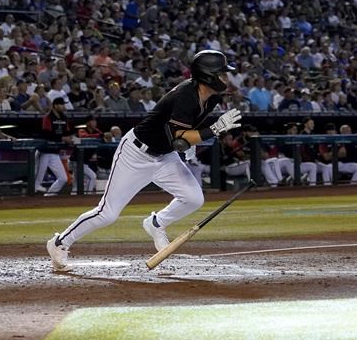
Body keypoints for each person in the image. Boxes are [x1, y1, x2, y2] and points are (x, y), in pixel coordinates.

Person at [46, 50, 242, 271]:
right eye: (222, 73)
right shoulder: (186, 95)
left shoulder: (211, 97)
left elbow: (188, 131)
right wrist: (215, 129)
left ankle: (156, 223)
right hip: (136, 154)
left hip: (165, 156)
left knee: (193, 198)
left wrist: (193, 145)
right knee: (107, 213)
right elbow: (180, 140)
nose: (226, 78)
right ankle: (59, 243)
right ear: (207, 75)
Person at [35, 97, 74, 197]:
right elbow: (46, 134)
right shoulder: (47, 117)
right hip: (44, 151)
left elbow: (68, 132)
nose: (63, 106)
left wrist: (71, 138)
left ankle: (48, 196)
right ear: (55, 105)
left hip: (55, 152)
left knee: (63, 178)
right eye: (61, 104)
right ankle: (28, 201)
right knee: (37, 181)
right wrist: (62, 138)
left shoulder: (64, 118)